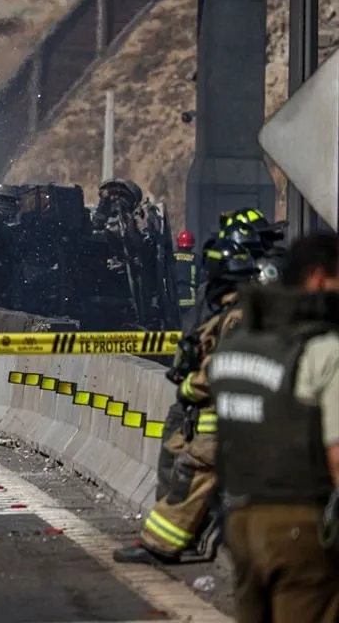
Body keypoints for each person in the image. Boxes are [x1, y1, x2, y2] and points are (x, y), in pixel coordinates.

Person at [207, 232, 339, 621]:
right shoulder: (322, 349)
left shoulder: (240, 341)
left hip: (241, 523)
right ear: (317, 278)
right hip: (300, 525)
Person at [114, 235, 260, 565]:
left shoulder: (238, 315)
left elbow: (225, 367)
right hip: (214, 415)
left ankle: (160, 544)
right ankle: (182, 537)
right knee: (180, 466)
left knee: (189, 473)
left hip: (222, 416)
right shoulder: (230, 311)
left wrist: (191, 385)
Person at [173, 229, 199, 319]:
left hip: (173, 300)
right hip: (190, 301)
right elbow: (202, 279)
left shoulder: (171, 258)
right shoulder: (196, 259)